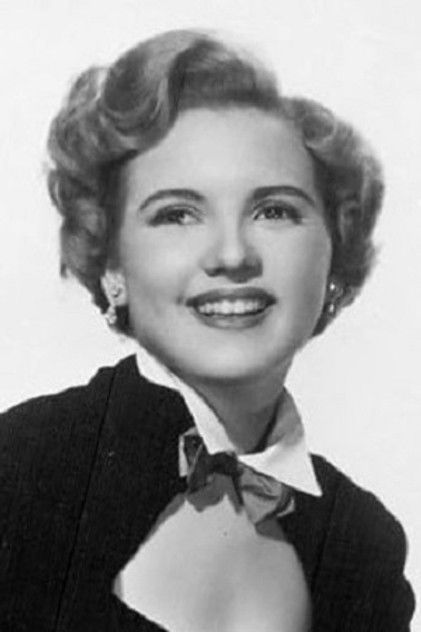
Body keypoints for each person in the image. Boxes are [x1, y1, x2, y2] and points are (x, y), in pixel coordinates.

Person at [0, 28, 415, 632]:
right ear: (111, 264)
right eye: (177, 214)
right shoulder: (19, 471)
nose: (232, 254)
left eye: (274, 210)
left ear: (335, 256)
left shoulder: (362, 540)